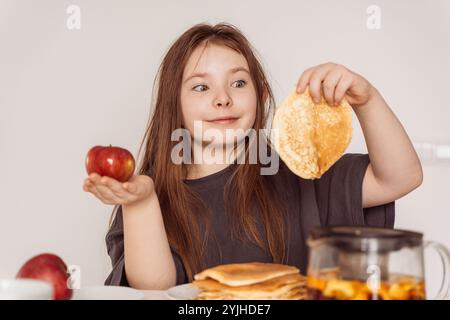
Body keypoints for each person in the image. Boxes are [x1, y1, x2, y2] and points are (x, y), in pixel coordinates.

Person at [82, 23, 423, 290]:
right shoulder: (151, 198)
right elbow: (154, 287)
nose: (223, 99)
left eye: (239, 83)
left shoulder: (303, 173)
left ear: (260, 96)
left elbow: (400, 177)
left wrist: (367, 100)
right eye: (201, 87)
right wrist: (141, 203)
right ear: (175, 105)